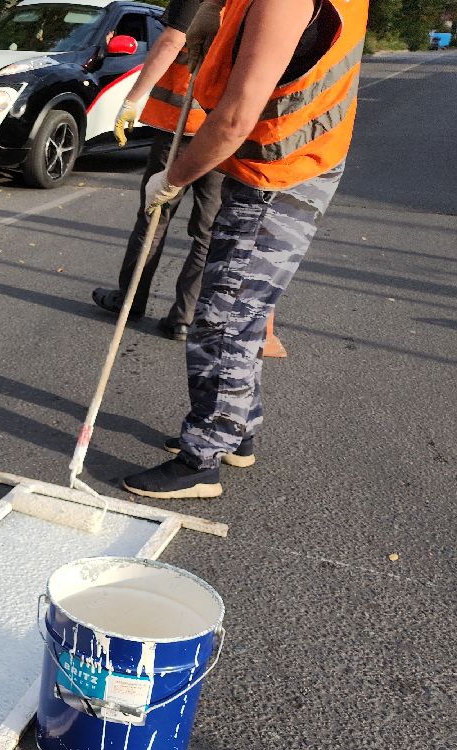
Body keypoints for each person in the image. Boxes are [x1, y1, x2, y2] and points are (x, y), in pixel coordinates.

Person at [121, 0, 365, 499]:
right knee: (242, 312)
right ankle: (238, 430)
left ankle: (202, 458)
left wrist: (174, 178)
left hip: (277, 175)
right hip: (290, 163)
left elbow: (234, 118)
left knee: (223, 319)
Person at [92, 0, 223, 341]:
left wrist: (132, 99)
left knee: (154, 213)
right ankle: (184, 316)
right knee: (208, 229)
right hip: (222, 130)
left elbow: (171, 41)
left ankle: (130, 301)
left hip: (180, 126)